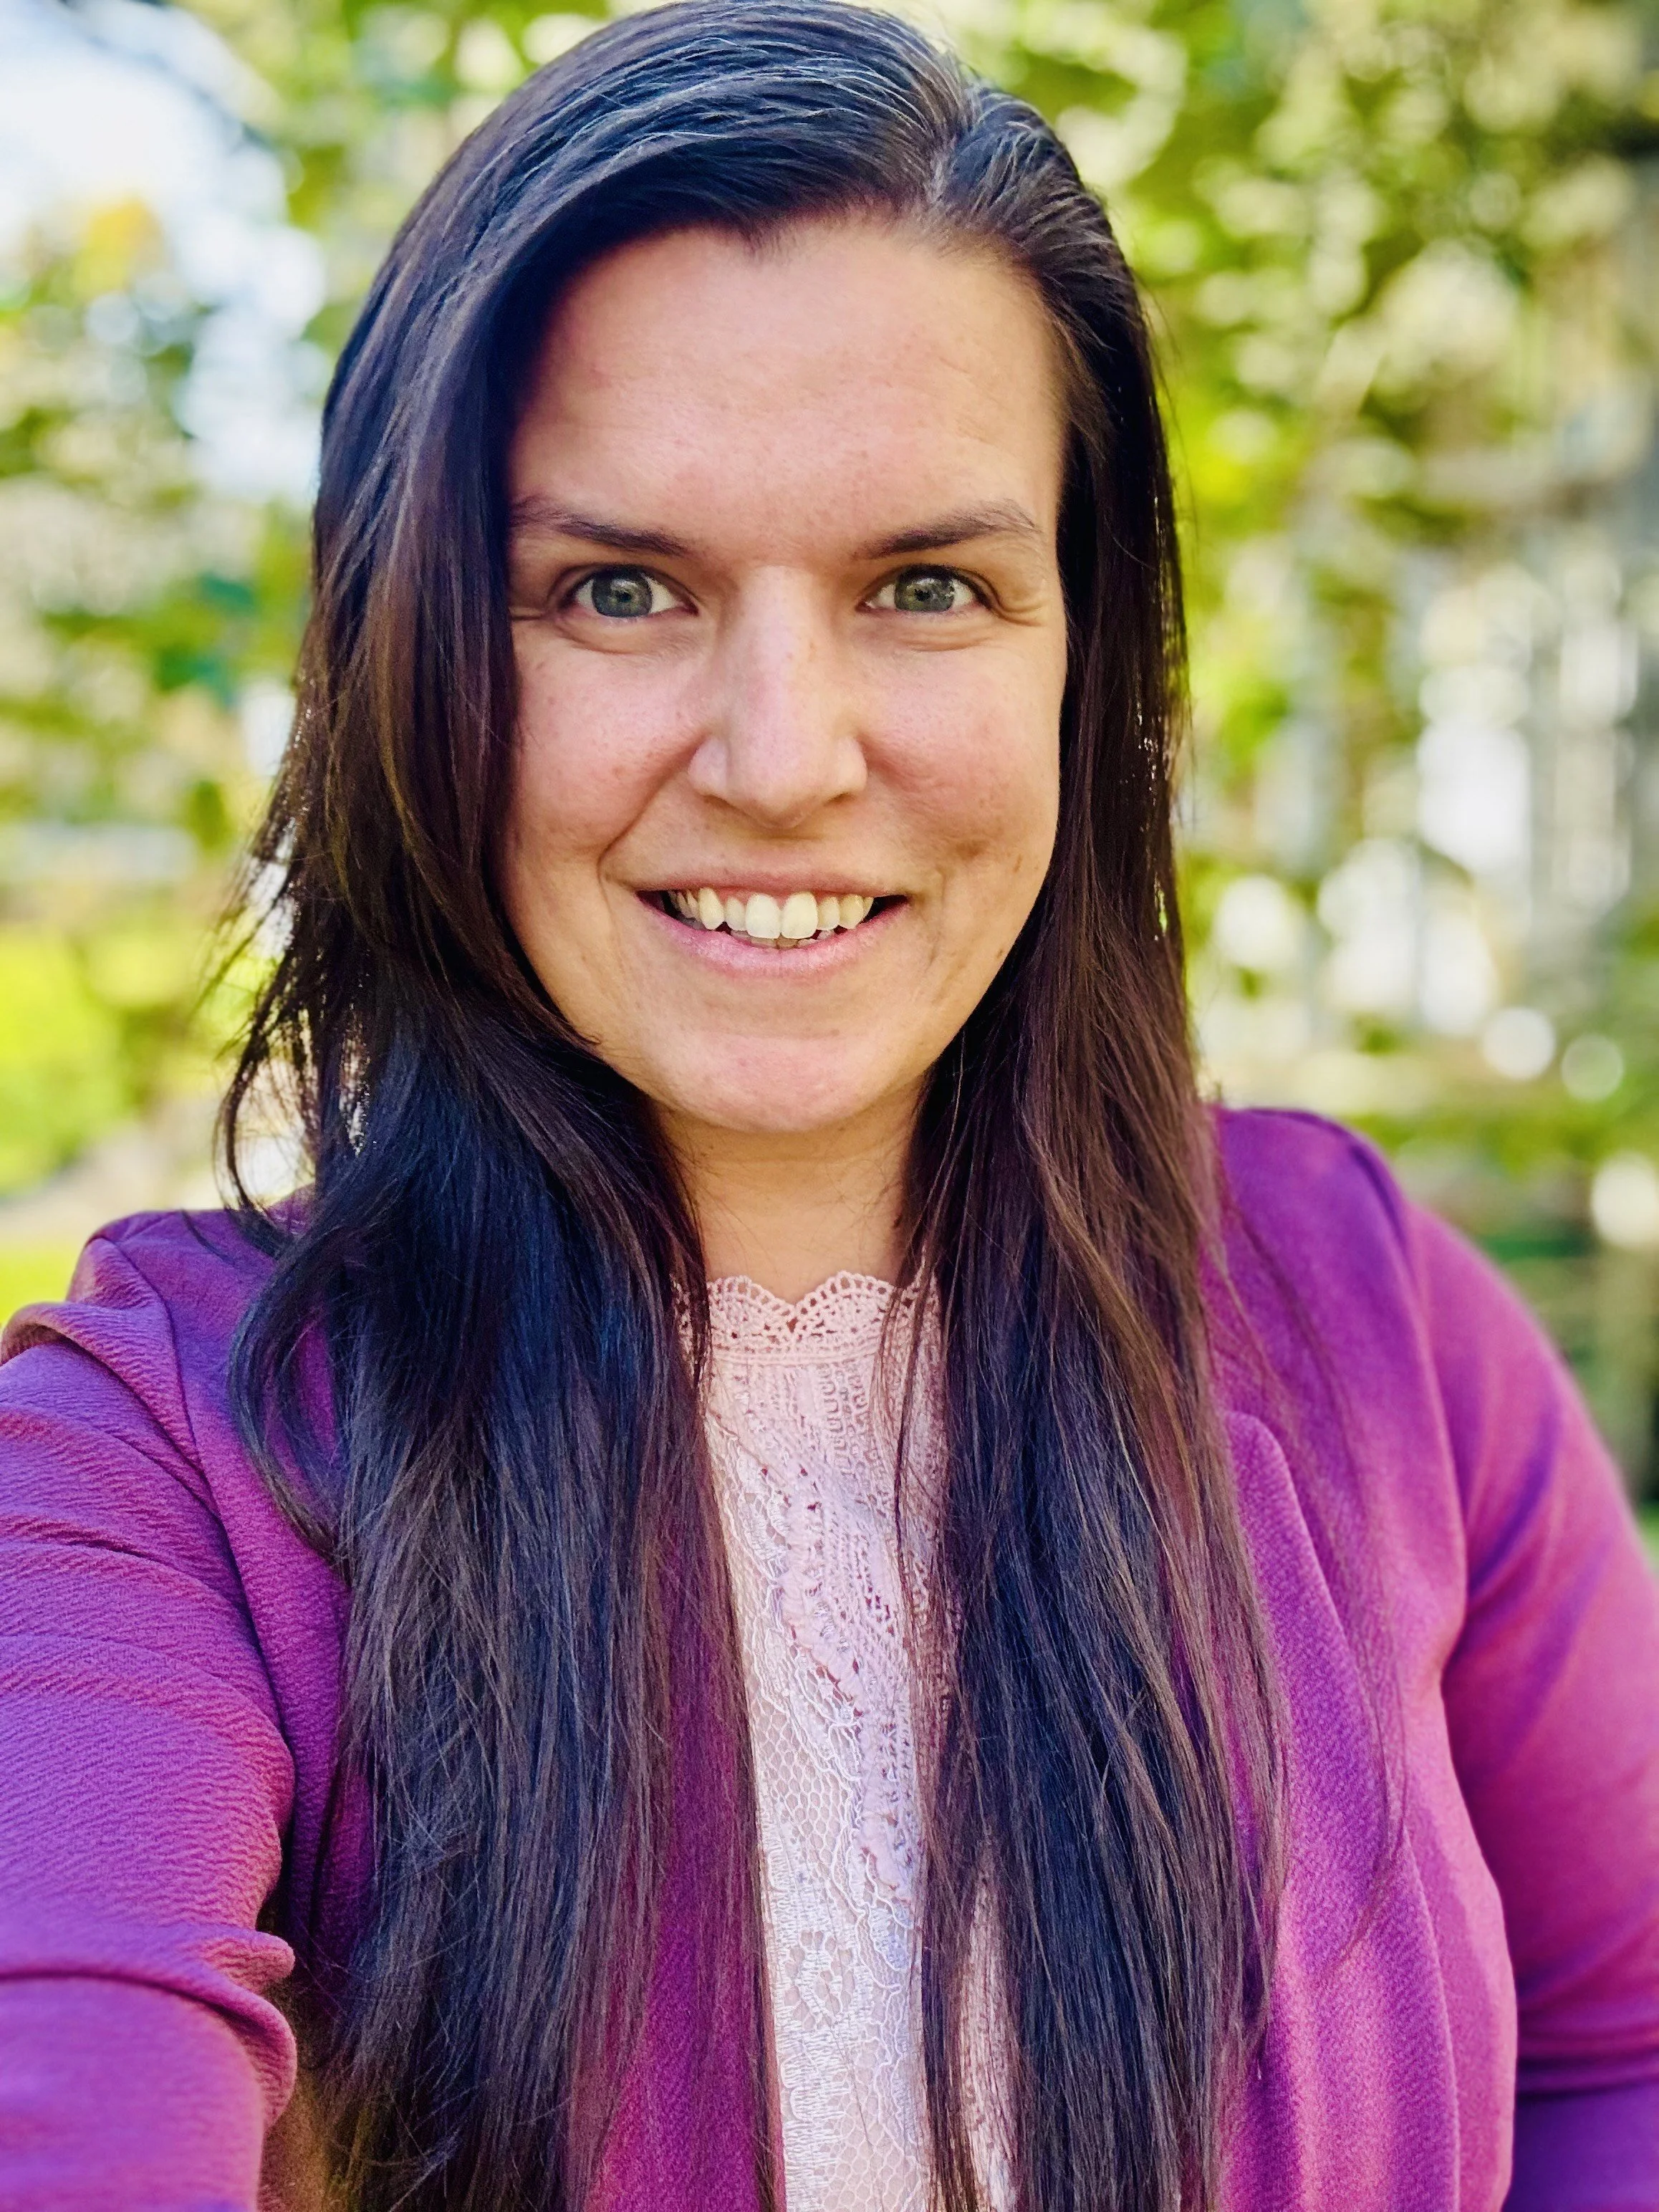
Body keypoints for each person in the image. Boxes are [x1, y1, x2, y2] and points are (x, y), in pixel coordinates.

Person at [1, 4, 1656, 2208]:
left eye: (925, 587)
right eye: (617, 589)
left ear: (1088, 653)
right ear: (417, 659)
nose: (782, 753)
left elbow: (1618, 2059)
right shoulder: (155, 1470)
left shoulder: (1382, 1333)